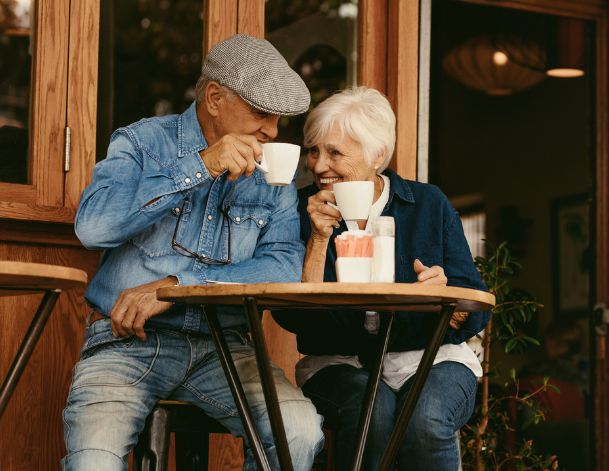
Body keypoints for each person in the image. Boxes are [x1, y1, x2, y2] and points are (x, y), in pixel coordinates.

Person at [63, 34, 324, 471]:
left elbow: (282, 263)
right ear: (215, 98)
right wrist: (201, 165)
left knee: (300, 433)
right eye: (262, 113)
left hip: (226, 348)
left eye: (278, 118)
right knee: (92, 462)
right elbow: (93, 227)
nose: (273, 130)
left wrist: (177, 286)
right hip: (126, 345)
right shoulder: (143, 142)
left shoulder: (273, 172)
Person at [274, 86, 490, 470]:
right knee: (373, 414)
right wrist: (319, 240)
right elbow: (292, 316)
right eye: (313, 150)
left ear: (376, 155)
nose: (319, 165)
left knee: (425, 421)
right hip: (339, 363)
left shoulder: (427, 204)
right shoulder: (297, 209)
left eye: (335, 152)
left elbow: (475, 303)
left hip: (432, 359)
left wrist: (444, 297)